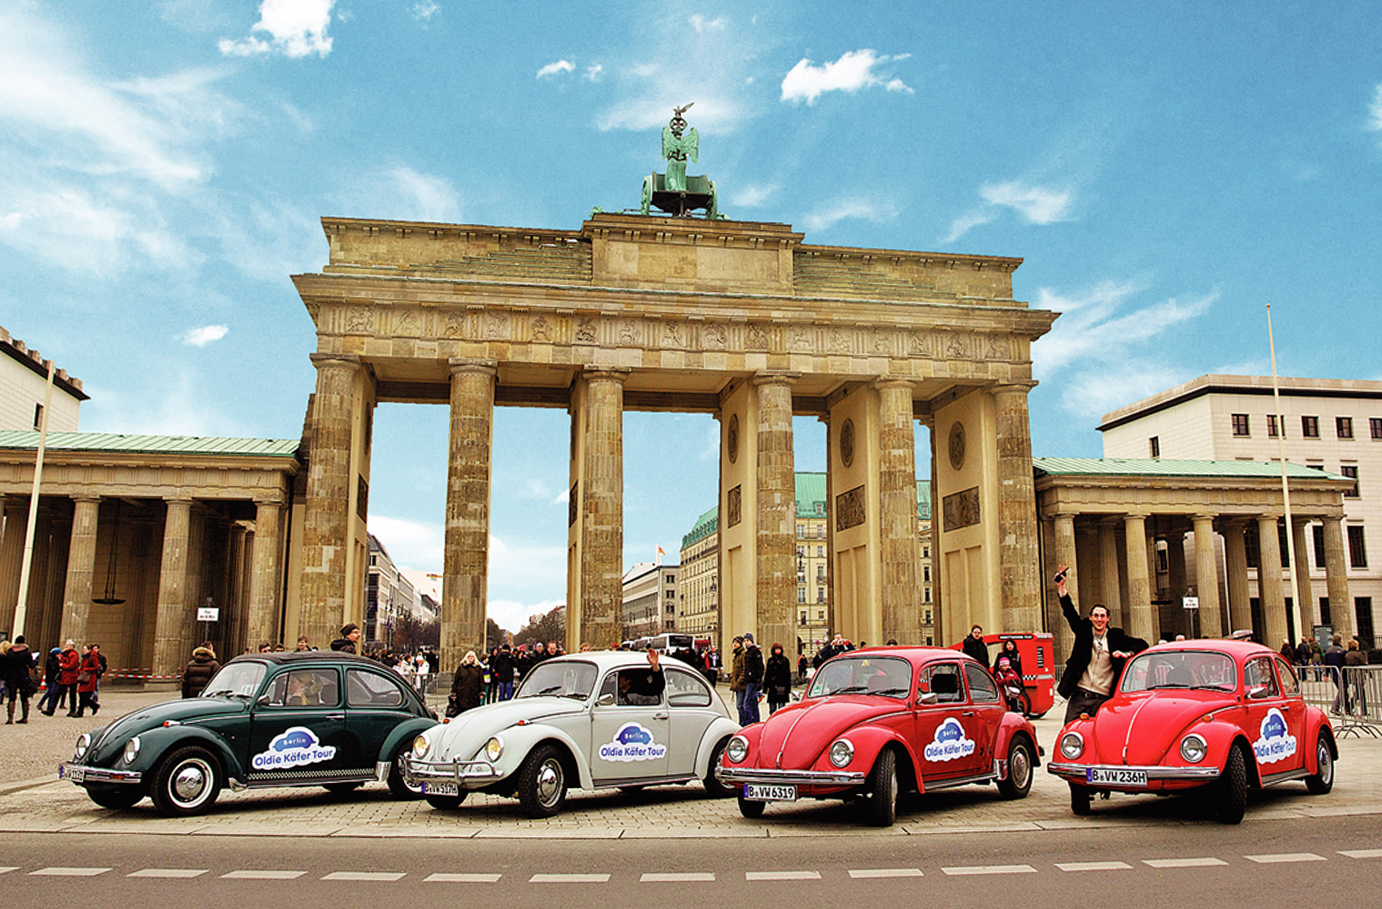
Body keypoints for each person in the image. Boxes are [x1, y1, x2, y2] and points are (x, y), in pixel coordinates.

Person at [1055, 566, 1148, 723]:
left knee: (1100, 735)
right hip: (1080, 694)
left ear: (1108, 619)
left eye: (1102, 616)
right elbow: (1070, 613)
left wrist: (1127, 654)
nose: (1099, 619)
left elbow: (1142, 644)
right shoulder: (1083, 631)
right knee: (1070, 731)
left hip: (1104, 698)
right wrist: (1062, 588)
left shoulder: (1116, 636)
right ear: (1090, 618)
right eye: (1096, 616)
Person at [1, 634, 37, 724]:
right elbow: (31, 665)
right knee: (24, 697)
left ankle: (10, 718)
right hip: (23, 676)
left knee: (12, 697)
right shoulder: (26, 653)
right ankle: (24, 717)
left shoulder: (10, 653)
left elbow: (6, 665)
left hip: (12, 677)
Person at [449, 651, 484, 716]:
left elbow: (481, 681)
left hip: (474, 694)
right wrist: (453, 692)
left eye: (472, 656)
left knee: (473, 713)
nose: (470, 658)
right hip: (462, 693)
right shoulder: (461, 667)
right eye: (469, 656)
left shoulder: (478, 668)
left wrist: (481, 691)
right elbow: (456, 680)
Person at [73, 644, 102, 717]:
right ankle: (93, 706)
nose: (83, 651)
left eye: (84, 649)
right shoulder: (85, 657)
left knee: (84, 696)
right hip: (84, 677)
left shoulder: (93, 657)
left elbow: (96, 667)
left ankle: (80, 712)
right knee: (81, 695)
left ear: (89, 650)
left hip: (90, 678)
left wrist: (86, 669)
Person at [763, 642, 792, 715]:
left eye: (779, 649)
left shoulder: (785, 660)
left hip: (782, 686)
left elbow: (788, 675)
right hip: (772, 687)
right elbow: (767, 674)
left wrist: (788, 688)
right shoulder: (770, 660)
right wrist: (765, 688)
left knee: (782, 708)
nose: (778, 651)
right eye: (776, 649)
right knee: (772, 708)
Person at [741, 633, 764, 724]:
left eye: (747, 640)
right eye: (745, 641)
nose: (746, 643)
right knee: (754, 702)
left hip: (753, 680)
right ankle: (756, 720)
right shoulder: (748, 652)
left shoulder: (755, 652)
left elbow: (760, 666)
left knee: (747, 702)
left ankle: (749, 720)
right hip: (749, 680)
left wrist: (758, 679)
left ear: (751, 641)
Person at [1343, 639, 1368, 716]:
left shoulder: (1347, 655)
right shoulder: (1358, 654)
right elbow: (1363, 662)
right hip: (1358, 674)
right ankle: (1352, 707)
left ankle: (1359, 709)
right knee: (1360, 691)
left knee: (1360, 691)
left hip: (1351, 674)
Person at [56, 640, 80, 716]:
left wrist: (62, 665)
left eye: (67, 645)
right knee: (57, 693)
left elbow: (71, 665)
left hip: (71, 677)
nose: (65, 647)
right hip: (64, 677)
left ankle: (72, 710)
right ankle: (51, 709)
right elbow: (61, 662)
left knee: (72, 695)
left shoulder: (74, 654)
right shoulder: (65, 654)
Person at [1324, 634, 1347, 713]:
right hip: (1342, 673)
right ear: (1340, 641)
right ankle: (1335, 707)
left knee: (1343, 690)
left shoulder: (1328, 651)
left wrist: (1326, 675)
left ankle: (1347, 708)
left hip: (1333, 674)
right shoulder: (1342, 651)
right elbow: (1345, 662)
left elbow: (1326, 664)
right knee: (1343, 690)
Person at [37, 647, 62, 716]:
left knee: (52, 693)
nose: (60, 655)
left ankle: (49, 707)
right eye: (59, 654)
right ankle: (41, 703)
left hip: (54, 679)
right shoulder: (51, 661)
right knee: (50, 692)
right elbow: (54, 669)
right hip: (51, 679)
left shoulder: (54, 660)